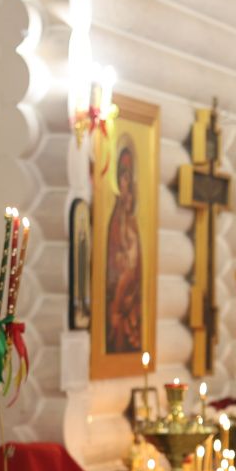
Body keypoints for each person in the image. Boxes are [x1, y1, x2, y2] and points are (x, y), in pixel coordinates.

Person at [105, 143, 142, 353]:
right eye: (121, 174)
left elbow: (131, 268)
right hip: (115, 298)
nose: (124, 181)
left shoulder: (131, 222)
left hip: (125, 301)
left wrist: (119, 305)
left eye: (128, 175)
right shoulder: (116, 216)